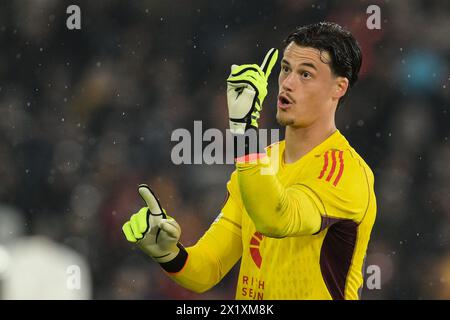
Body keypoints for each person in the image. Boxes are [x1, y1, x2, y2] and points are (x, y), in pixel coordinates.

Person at [122, 22, 377, 300]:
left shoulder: (344, 171)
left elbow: (277, 219)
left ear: (338, 88)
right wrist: (168, 253)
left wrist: (245, 133)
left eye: (305, 74)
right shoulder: (260, 161)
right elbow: (207, 268)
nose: (288, 83)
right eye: (286, 69)